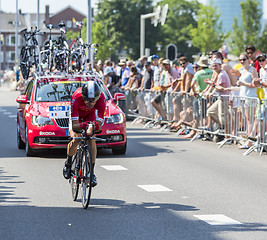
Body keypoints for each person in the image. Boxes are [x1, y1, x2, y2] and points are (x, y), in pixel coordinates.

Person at [63, 81, 106, 187]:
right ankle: (68, 163)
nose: (91, 104)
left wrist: (93, 126)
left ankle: (91, 172)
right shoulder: (76, 98)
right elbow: (75, 126)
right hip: (77, 116)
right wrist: (83, 125)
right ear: (83, 96)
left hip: (90, 116)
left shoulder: (101, 99)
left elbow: (99, 127)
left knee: (92, 139)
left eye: (93, 101)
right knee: (76, 138)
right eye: (87, 101)